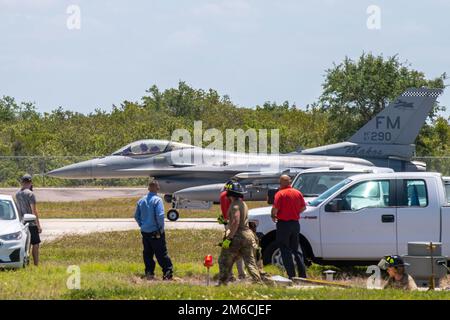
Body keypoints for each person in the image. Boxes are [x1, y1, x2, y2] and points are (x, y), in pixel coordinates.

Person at [218, 182, 262, 285]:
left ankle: (223, 282)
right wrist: (225, 221)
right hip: (248, 235)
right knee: (250, 262)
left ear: (230, 193)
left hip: (238, 236)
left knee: (224, 259)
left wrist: (228, 238)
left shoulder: (234, 206)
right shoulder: (243, 204)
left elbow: (236, 222)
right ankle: (258, 282)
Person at [135, 180, 174, 280]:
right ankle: (167, 274)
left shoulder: (141, 200)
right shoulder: (157, 200)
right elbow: (160, 216)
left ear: (148, 188)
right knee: (161, 253)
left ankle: (149, 273)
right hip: (156, 231)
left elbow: (136, 216)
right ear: (158, 188)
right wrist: (160, 228)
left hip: (145, 231)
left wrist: (142, 225)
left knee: (147, 253)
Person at [271, 175, 307, 279]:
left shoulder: (280, 194)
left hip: (284, 224)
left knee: (285, 249)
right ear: (290, 182)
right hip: (295, 224)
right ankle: (302, 274)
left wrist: (273, 215)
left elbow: (275, 209)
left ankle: (291, 275)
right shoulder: (297, 192)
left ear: (281, 182)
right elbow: (303, 207)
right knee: (296, 249)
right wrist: (295, 212)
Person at [218, 180, 246, 280]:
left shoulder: (222, 196)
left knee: (228, 251)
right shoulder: (236, 198)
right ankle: (241, 274)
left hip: (228, 225)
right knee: (238, 251)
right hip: (235, 225)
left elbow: (225, 212)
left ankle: (230, 275)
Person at [15, 174, 42, 266]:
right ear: (30, 182)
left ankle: (26, 263)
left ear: (22, 182)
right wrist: (38, 225)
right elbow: (34, 211)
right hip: (31, 223)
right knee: (35, 244)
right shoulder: (30, 194)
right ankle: (36, 264)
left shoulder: (17, 194)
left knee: (26, 244)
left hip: (22, 223)